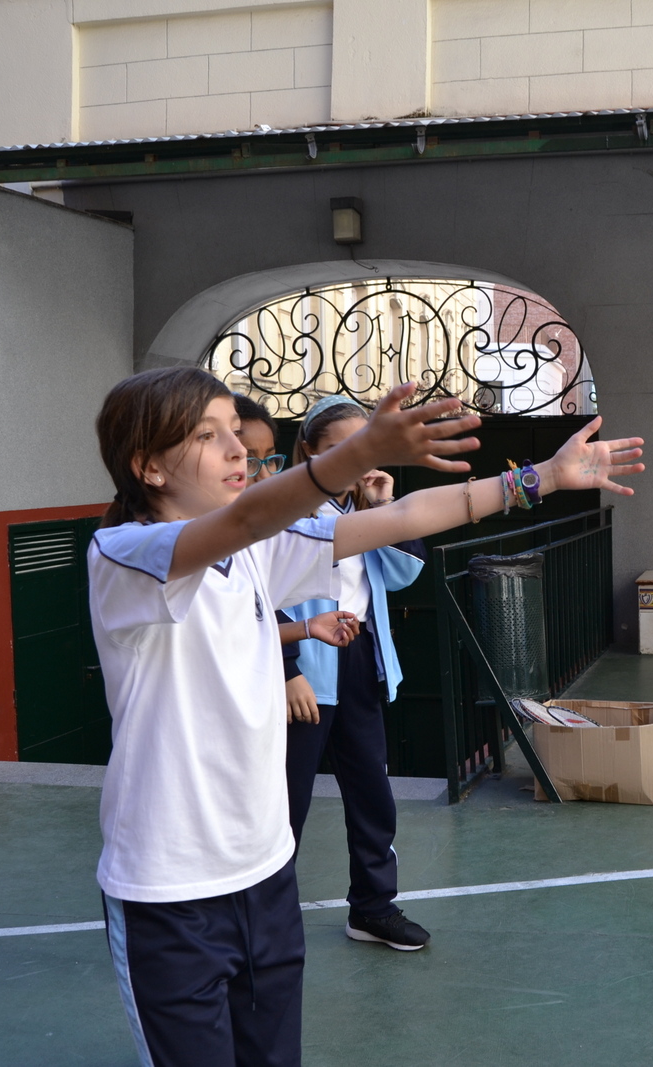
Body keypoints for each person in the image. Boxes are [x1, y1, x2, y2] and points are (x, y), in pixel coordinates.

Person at [88, 366, 643, 1067]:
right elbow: (246, 517)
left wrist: (540, 480)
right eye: (207, 435)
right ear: (148, 467)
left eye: (235, 430)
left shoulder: (257, 551)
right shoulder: (125, 557)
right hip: (169, 892)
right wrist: (358, 452)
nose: (236, 449)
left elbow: (403, 519)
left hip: (265, 874)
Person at [280, 396, 428, 952]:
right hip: (302, 668)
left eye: (362, 444)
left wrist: (383, 506)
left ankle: (372, 908)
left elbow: (404, 573)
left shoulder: (362, 511)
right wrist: (287, 670)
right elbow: (254, 597)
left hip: (360, 660)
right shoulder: (282, 509)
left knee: (372, 794)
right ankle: (263, 918)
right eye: (337, 446)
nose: (353, 457)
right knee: (284, 803)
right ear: (309, 451)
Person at [232, 394, 357, 724]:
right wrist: (289, 668)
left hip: (338, 647)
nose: (263, 475)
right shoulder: (285, 515)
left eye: (270, 459)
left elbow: (403, 529)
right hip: (286, 672)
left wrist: (307, 627)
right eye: (246, 460)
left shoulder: (358, 504)